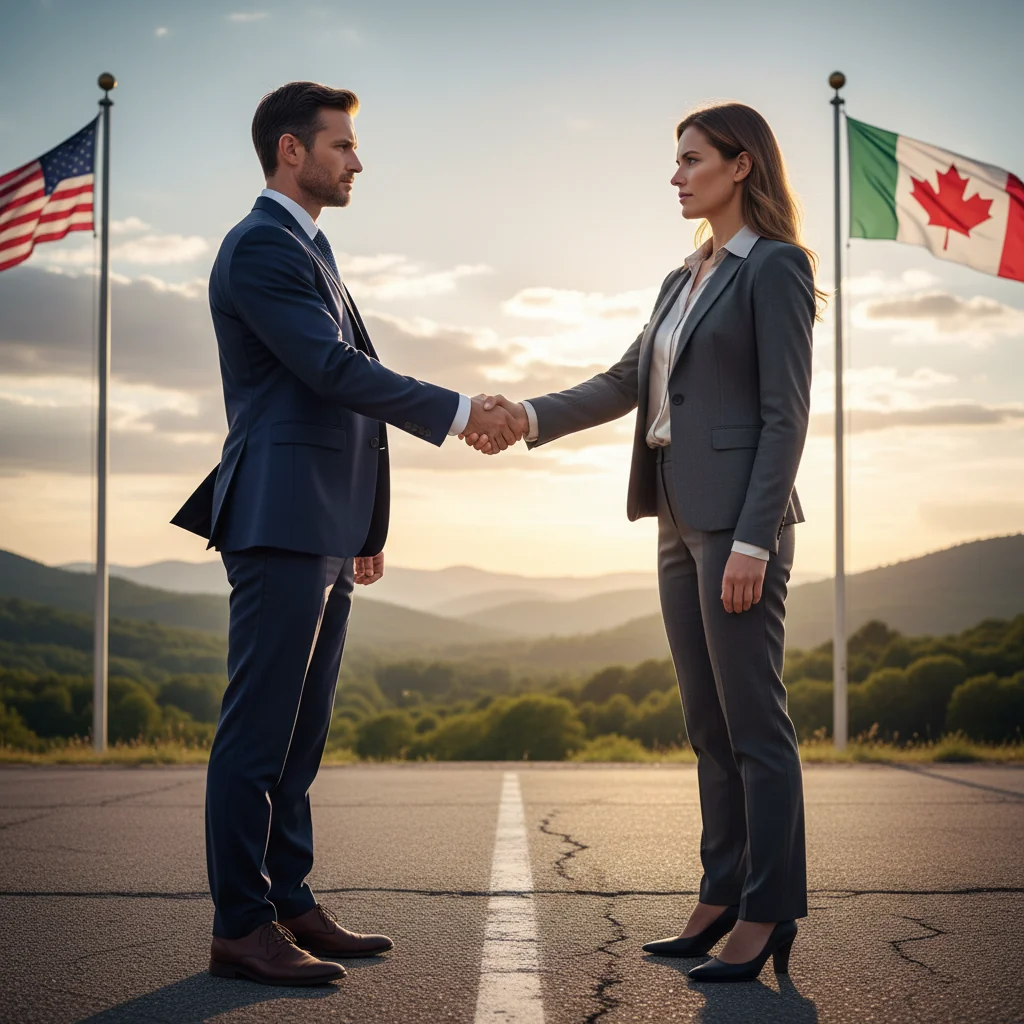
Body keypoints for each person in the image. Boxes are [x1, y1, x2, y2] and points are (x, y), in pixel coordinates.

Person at [171, 81, 523, 987]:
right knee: (257, 732)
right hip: (280, 517)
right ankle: (239, 926)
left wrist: (368, 524)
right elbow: (333, 372)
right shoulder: (260, 247)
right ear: (292, 150)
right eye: (342, 145)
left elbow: (348, 394)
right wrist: (458, 411)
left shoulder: (309, 250)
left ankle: (290, 901)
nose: (357, 160)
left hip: (326, 523)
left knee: (303, 733)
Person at [463, 102, 823, 983]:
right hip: (670, 515)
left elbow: (786, 417)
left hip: (738, 526)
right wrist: (529, 416)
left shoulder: (774, 270)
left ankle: (768, 909)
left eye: (691, 160)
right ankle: (720, 892)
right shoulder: (682, 277)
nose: (676, 176)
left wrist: (753, 541)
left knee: (754, 725)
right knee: (707, 723)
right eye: (676, 162)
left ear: (741, 167)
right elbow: (628, 379)